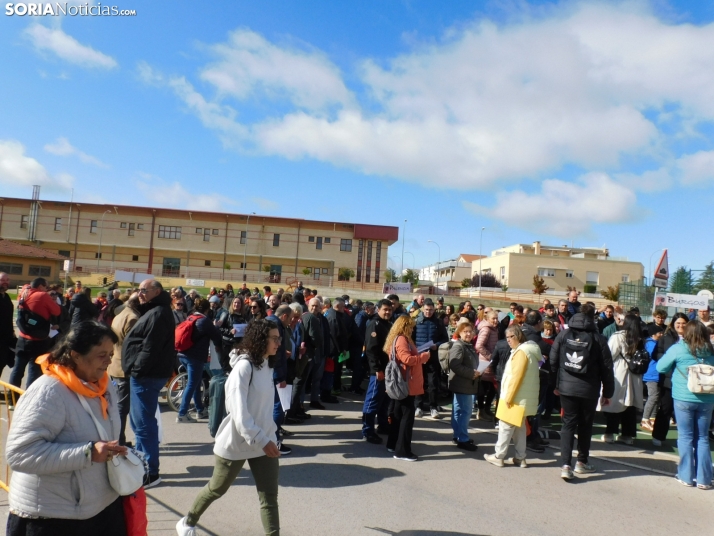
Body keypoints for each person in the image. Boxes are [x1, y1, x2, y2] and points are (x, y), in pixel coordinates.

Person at [6, 321, 128, 536]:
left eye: (111, 354)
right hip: (53, 517)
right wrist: (88, 452)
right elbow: (19, 454)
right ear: (76, 355)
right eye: (102, 355)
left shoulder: (102, 384)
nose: (109, 361)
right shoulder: (48, 391)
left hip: (98, 507)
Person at [176, 320, 281, 536]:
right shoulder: (244, 368)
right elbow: (240, 414)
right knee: (217, 488)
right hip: (237, 441)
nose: (278, 343)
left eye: (279, 338)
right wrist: (263, 439)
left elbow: (263, 409)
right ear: (261, 339)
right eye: (274, 338)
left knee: (269, 498)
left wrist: (270, 435)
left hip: (264, 441)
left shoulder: (267, 365)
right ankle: (187, 521)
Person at [549, 303, 614, 480]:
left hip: (567, 388)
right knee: (586, 426)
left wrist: (555, 384)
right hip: (589, 389)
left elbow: (553, 362)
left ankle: (565, 465)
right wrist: (608, 393)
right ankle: (582, 462)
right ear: (593, 317)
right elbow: (607, 368)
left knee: (568, 425)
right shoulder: (598, 339)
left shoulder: (563, 334)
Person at [122, 279, 175, 488]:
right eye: (139, 290)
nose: (140, 293)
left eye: (144, 290)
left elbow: (150, 347)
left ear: (157, 292)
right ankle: (142, 465)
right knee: (139, 424)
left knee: (143, 425)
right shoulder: (154, 310)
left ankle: (150, 472)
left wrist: (137, 369)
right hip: (144, 374)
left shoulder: (159, 313)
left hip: (146, 375)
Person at [656, 321, 714, 489]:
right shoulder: (711, 350)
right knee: (702, 437)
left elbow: (661, 367)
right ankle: (704, 478)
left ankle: (686, 475)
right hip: (707, 398)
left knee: (686, 436)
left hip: (684, 396)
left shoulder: (679, 348)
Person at [484, 325, 541, 468]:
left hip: (516, 397)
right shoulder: (528, 350)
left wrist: (509, 396)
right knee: (519, 427)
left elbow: (516, 377)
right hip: (522, 396)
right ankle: (520, 458)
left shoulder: (521, 352)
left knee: (505, 426)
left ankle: (499, 456)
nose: (508, 340)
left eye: (511, 337)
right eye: (507, 337)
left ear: (519, 336)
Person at [385, 315, 430, 461]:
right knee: (406, 417)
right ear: (404, 326)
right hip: (406, 383)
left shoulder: (397, 338)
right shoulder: (402, 339)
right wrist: (423, 357)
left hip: (402, 382)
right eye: (410, 326)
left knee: (398, 415)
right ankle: (402, 451)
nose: (412, 329)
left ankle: (393, 444)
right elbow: (407, 360)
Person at [600, 314, 645, 445]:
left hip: (619, 372)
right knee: (630, 405)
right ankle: (627, 435)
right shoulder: (640, 338)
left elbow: (609, 355)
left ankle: (609, 433)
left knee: (615, 403)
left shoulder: (618, 336)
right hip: (635, 374)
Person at [11, 277, 61, 391]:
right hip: (38, 340)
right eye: (45, 287)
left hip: (23, 337)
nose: (46, 289)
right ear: (40, 286)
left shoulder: (24, 292)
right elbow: (57, 311)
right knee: (34, 370)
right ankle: (29, 397)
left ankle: (12, 397)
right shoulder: (42, 296)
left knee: (18, 369)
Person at [176, 299, 223, 423]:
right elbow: (216, 336)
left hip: (183, 354)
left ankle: (200, 410)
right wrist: (216, 326)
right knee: (192, 384)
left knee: (196, 383)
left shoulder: (191, 318)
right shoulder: (205, 321)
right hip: (195, 356)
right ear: (207, 310)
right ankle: (182, 414)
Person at [651, 313, 689, 447]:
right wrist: (669, 359)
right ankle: (658, 435)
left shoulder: (692, 339)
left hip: (686, 382)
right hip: (668, 379)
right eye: (678, 323)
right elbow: (656, 354)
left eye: (683, 323)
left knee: (684, 411)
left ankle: (685, 439)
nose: (680, 326)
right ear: (673, 324)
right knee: (665, 408)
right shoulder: (665, 338)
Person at [109, 291, 141, 446]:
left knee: (118, 406)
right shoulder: (133, 318)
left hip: (115, 364)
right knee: (122, 408)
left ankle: (118, 438)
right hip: (124, 367)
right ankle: (119, 440)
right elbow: (132, 346)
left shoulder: (120, 315)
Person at [361, 299, 393, 444]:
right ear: (378, 309)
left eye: (389, 310)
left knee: (384, 400)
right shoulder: (375, 324)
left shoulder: (388, 324)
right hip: (379, 371)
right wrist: (377, 370)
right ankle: (367, 431)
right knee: (372, 400)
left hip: (388, 369)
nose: (387, 312)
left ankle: (383, 425)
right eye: (385, 309)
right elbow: (371, 350)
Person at [413, 299, 448, 419]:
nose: (428, 312)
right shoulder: (416, 321)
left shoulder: (438, 322)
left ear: (434, 309)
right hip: (419, 357)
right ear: (423, 309)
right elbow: (411, 339)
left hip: (432, 357)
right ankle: (418, 406)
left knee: (433, 383)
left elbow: (445, 338)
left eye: (431, 310)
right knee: (419, 382)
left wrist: (436, 345)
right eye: (426, 310)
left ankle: (433, 407)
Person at [448, 321, 480, 451]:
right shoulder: (459, 346)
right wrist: (471, 373)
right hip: (463, 384)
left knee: (458, 410)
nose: (468, 333)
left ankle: (458, 435)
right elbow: (454, 365)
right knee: (465, 412)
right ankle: (463, 438)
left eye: (470, 331)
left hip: (464, 384)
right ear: (459, 333)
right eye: (465, 331)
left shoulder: (467, 345)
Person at [476, 311, 499, 421]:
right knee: (484, 388)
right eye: (493, 318)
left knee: (491, 388)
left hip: (490, 363)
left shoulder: (493, 329)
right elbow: (479, 345)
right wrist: (490, 356)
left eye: (496, 318)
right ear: (488, 319)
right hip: (485, 363)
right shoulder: (486, 329)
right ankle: (481, 411)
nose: (495, 321)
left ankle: (486, 409)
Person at [641, 324, 665, 432]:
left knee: (657, 397)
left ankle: (652, 418)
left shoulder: (655, 343)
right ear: (654, 334)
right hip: (651, 374)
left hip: (657, 374)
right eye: (660, 332)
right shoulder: (650, 344)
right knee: (653, 396)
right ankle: (645, 419)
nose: (662, 334)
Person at [218, 296, 247, 373]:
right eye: (235, 302)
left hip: (238, 344)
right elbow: (219, 328)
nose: (236, 304)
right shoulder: (226, 314)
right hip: (227, 344)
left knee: (235, 365)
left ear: (241, 305)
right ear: (232, 304)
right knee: (226, 366)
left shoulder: (243, 316)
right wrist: (229, 331)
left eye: (239, 303)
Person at [0, 272, 17, 379]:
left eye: (7, 280)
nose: (6, 282)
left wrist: (12, 333)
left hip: (6, 339)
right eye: (3, 280)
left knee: (2, 363)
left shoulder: (6, 297)